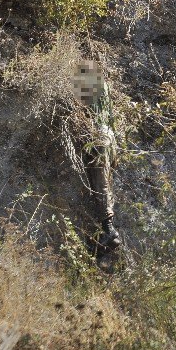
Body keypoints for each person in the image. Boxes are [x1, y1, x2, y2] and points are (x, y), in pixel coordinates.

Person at [72, 59, 121, 251]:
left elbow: (81, 111)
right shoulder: (105, 87)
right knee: (105, 183)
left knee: (99, 183)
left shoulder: (86, 83)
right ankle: (107, 232)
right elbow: (111, 119)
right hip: (110, 137)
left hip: (97, 137)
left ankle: (108, 230)